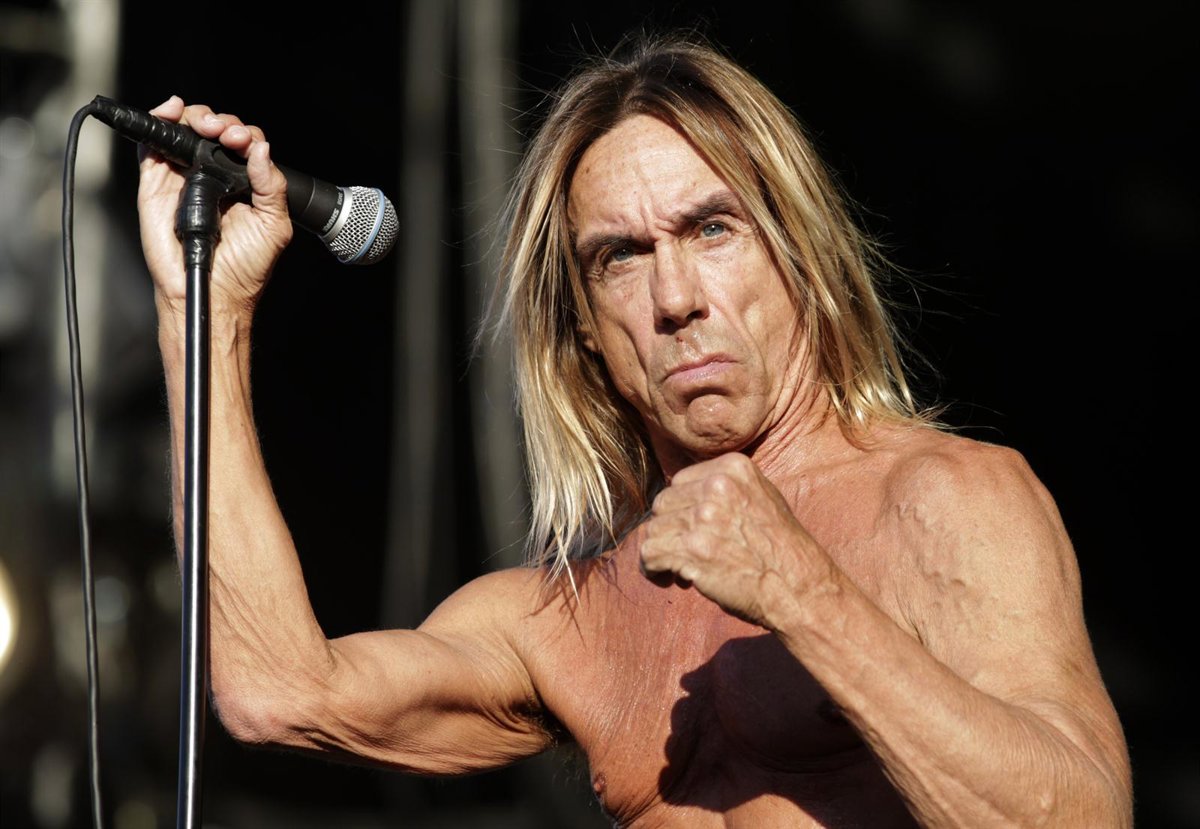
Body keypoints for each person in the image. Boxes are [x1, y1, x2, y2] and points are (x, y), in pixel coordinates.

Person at [137, 34, 1133, 828]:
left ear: (799, 251)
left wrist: (803, 591)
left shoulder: (946, 499)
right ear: (584, 327)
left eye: (711, 229)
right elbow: (277, 691)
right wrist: (202, 312)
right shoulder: (571, 616)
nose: (674, 299)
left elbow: (1084, 816)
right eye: (620, 256)